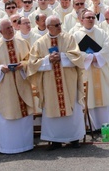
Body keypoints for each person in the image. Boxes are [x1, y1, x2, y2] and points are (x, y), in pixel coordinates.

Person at [28, 15, 86, 149]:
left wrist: (62, 56)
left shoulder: (69, 38)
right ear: (48, 27)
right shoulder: (40, 43)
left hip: (68, 82)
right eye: (57, 25)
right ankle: (55, 140)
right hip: (50, 84)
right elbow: (32, 64)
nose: (60, 27)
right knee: (52, 108)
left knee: (72, 108)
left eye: (60, 24)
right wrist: (48, 59)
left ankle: (74, 138)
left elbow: (78, 57)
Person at [0, 18, 36, 154]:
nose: (10, 30)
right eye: (7, 28)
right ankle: (9, 147)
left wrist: (23, 65)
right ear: (0, 31)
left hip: (21, 83)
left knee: (23, 116)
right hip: (5, 88)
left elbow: (30, 60)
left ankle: (26, 145)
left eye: (11, 27)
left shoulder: (22, 42)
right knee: (7, 116)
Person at [72, 10, 109, 131]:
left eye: (92, 17)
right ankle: (90, 125)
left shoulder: (102, 33)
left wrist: (96, 57)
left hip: (100, 70)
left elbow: (107, 48)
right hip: (86, 72)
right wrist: (90, 57)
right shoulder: (75, 35)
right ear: (82, 20)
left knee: (103, 95)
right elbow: (74, 53)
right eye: (88, 17)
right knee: (89, 97)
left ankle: (105, 124)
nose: (91, 19)